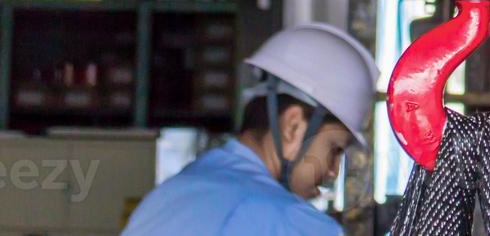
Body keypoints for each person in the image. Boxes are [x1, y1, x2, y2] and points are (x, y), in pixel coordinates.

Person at [123, 22, 380, 235]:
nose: (334, 171)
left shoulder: (166, 198)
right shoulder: (290, 222)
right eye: (334, 149)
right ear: (293, 127)